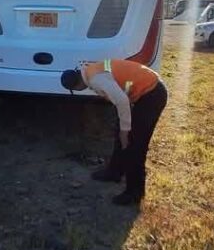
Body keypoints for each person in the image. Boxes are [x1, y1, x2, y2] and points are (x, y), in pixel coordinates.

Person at [60, 59, 168, 206]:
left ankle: (134, 193)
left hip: (152, 94)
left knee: (135, 145)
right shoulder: (89, 69)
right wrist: (122, 130)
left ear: (77, 86)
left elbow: (122, 101)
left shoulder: (95, 79)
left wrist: (125, 131)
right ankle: (115, 171)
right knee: (121, 133)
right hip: (146, 90)